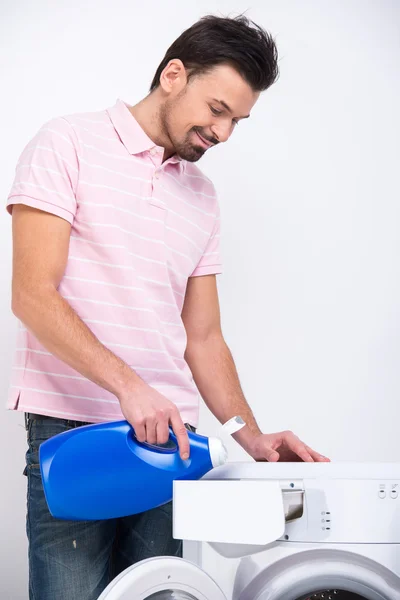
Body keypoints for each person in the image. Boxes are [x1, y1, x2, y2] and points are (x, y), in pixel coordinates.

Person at [7, 14, 330, 600]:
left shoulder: (201, 196)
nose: (224, 132)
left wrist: (248, 436)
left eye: (238, 120)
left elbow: (203, 337)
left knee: (163, 591)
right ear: (173, 75)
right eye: (217, 109)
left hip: (174, 443)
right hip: (78, 431)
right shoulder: (67, 143)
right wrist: (129, 387)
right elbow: (32, 294)